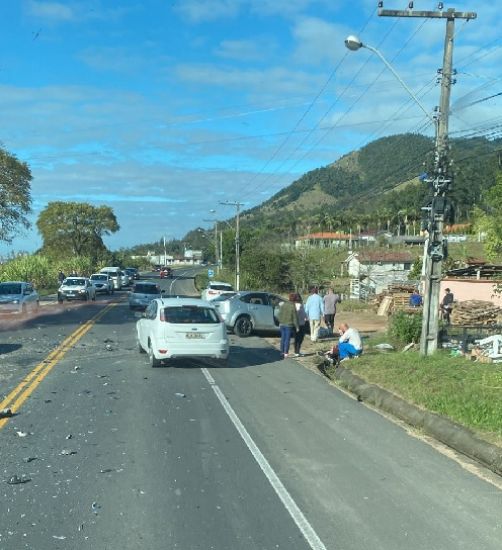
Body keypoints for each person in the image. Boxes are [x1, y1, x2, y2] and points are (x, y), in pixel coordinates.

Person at [277, 293, 299, 359]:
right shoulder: (293, 306)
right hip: (288, 324)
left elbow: (279, 314)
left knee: (283, 338)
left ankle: (281, 352)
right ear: (294, 299)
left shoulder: (283, 304)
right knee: (287, 339)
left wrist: (280, 321)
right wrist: (297, 326)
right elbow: (295, 317)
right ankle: (286, 353)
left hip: (282, 324)